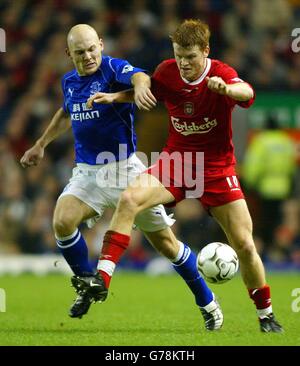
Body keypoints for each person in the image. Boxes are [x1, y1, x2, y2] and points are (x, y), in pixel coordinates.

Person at [20, 24, 223, 330]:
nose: (88, 56)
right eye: (80, 52)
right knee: (62, 220)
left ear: (100, 45)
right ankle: (87, 283)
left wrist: (140, 87)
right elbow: (65, 113)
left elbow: (140, 75)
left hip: (125, 171)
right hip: (88, 173)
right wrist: (40, 144)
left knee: (167, 245)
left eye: (92, 48)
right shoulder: (69, 82)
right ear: (68, 54)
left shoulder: (112, 69)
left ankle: (208, 303)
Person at [88, 19, 283, 333]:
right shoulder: (167, 71)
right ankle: (103, 277)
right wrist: (115, 98)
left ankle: (266, 316)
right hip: (177, 162)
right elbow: (149, 88)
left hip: (217, 169)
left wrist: (227, 89)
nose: (184, 63)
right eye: (179, 56)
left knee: (245, 244)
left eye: (190, 57)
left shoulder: (221, 73)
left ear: (205, 51)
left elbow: (247, 92)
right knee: (129, 198)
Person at [243, 115, 296, 248]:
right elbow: (291, 167)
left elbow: (253, 165)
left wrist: (249, 183)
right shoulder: (286, 141)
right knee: (278, 222)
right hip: (283, 189)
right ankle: (279, 250)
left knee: (265, 222)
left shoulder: (261, 141)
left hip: (265, 189)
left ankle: (265, 249)